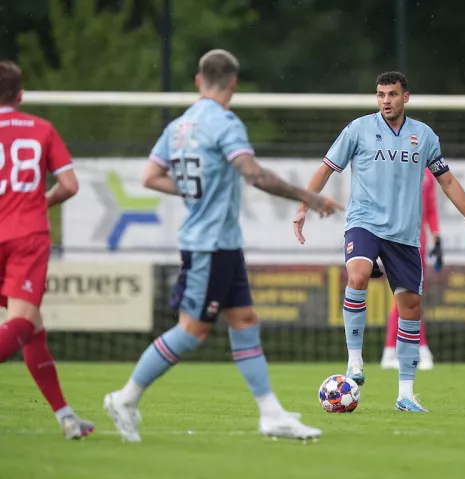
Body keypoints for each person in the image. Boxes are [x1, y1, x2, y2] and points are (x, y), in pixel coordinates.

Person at [104, 49, 342, 443]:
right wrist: (311, 198)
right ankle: (125, 398)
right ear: (233, 83)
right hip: (209, 245)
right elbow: (253, 174)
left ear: (199, 81)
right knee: (192, 332)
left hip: (223, 245)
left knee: (245, 320)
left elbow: (149, 177)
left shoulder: (179, 127)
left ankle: (271, 414)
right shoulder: (225, 124)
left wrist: (194, 191)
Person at [293, 71, 465, 412]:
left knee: (410, 309)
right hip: (364, 223)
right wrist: (302, 208)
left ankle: (405, 394)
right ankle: (354, 362)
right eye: (381, 94)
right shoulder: (358, 129)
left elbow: (447, 183)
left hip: (404, 236)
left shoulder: (424, 136)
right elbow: (326, 168)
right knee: (357, 274)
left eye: (392, 94)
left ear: (406, 97)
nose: (386, 100)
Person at [0, 61, 94, 440]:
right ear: (20, 95)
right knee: (22, 322)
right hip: (26, 234)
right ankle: (67, 418)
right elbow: (69, 185)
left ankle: (67, 418)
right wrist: (41, 200)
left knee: (34, 329)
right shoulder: (41, 129)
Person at [380, 168, 441, 370]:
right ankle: (419, 349)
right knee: (407, 296)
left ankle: (391, 351)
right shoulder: (396, 167)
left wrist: (436, 238)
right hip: (397, 241)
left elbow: (430, 210)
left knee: (408, 297)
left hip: (419, 244)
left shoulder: (428, 175)